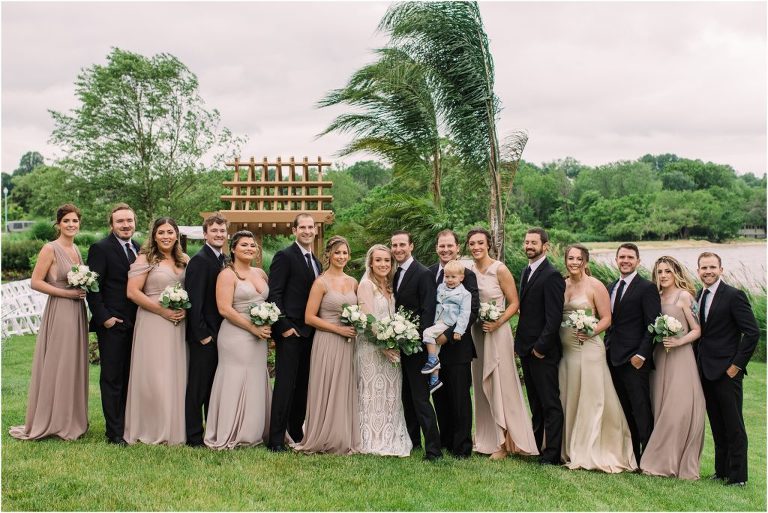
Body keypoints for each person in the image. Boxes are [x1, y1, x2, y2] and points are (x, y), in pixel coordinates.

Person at [10, 204, 89, 441]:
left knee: (73, 362)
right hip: (61, 309)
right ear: (58, 224)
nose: (71, 225)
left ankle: (69, 418)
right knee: (60, 362)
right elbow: (36, 282)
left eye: (75, 221)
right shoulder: (50, 248)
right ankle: (53, 420)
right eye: (66, 221)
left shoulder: (75, 248)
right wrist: (67, 294)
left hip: (77, 310)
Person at [558, 244, 636, 473]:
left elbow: (606, 318)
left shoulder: (595, 285)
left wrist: (591, 331)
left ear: (585, 261)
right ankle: (569, 446)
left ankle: (591, 449)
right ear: (565, 260)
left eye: (578, 259)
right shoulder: (562, 285)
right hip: (566, 352)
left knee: (591, 399)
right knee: (570, 397)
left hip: (589, 349)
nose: (574, 262)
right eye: (570, 258)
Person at [467, 227, 538, 461]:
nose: (476, 247)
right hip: (477, 332)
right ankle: (486, 438)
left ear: (488, 244)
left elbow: (514, 303)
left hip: (497, 332)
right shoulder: (468, 271)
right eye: (472, 244)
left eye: (480, 243)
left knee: (501, 384)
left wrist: (497, 322)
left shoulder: (500, 269)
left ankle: (505, 441)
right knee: (481, 385)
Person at [123, 217, 189, 445]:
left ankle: (175, 428)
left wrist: (184, 309)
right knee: (155, 375)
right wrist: (162, 311)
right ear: (154, 235)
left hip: (178, 325)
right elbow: (133, 292)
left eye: (170, 232)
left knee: (175, 373)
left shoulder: (184, 260)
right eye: (161, 232)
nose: (166, 236)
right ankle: (151, 427)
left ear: (176, 235)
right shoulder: (145, 258)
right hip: (153, 321)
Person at [204, 231, 272, 449]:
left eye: (253, 245)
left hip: (259, 336)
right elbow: (224, 309)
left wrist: (267, 323)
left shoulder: (260, 273)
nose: (250, 248)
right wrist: (252, 327)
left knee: (255, 378)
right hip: (236, 335)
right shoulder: (227, 275)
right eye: (244, 245)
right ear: (233, 249)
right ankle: (230, 430)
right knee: (235, 379)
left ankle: (253, 431)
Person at [696, 252, 759, 487]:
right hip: (705, 370)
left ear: (721, 270)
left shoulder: (734, 295)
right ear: (698, 271)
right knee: (717, 423)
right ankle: (721, 471)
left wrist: (736, 366)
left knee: (734, 425)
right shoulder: (698, 295)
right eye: (704, 268)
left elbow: (752, 332)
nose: (708, 271)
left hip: (727, 372)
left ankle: (738, 476)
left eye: (712, 267)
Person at [294, 236, 360, 454]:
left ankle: (341, 435)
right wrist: (338, 329)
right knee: (326, 385)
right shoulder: (320, 282)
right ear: (329, 255)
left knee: (343, 386)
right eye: (337, 252)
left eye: (345, 253)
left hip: (348, 343)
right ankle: (322, 435)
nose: (341, 257)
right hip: (327, 340)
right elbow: (309, 317)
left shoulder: (353, 282)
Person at [640, 255, 704, 479]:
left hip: (680, 357)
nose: (663, 275)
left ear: (676, 273)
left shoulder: (684, 296)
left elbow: (697, 330)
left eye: (668, 271)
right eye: (659, 272)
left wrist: (679, 341)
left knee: (677, 408)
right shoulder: (654, 296)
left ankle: (674, 460)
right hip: (659, 356)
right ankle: (661, 457)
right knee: (659, 405)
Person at [85, 203, 140, 445]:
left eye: (129, 220)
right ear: (111, 224)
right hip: (113, 324)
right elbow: (93, 286)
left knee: (130, 376)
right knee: (112, 378)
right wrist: (104, 318)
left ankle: (127, 424)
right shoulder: (100, 248)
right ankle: (114, 433)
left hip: (137, 323)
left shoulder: (139, 248)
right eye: (120, 221)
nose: (126, 225)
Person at [267, 213, 322, 452]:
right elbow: (274, 294)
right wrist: (284, 327)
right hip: (290, 332)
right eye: (303, 227)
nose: (307, 231)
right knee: (285, 385)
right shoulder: (284, 256)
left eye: (311, 227)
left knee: (302, 386)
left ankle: (296, 432)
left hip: (311, 333)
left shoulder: (317, 262)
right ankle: (276, 439)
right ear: (294, 230)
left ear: (315, 230)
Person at [604, 243, 661, 463]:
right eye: (622, 257)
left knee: (641, 409)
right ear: (616, 260)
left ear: (638, 261)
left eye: (630, 257)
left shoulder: (647, 288)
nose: (625, 261)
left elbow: (653, 325)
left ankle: (649, 458)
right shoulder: (610, 287)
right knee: (623, 409)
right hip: (612, 358)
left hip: (634, 360)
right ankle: (632, 455)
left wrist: (642, 356)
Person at [356, 244, 412, 457]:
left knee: (390, 393)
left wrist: (394, 342)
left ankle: (389, 435)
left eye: (387, 260)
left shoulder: (390, 286)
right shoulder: (366, 285)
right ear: (370, 263)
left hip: (392, 348)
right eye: (378, 260)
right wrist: (383, 346)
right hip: (371, 349)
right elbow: (368, 320)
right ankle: (369, 438)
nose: (383, 264)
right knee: (371, 393)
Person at [514, 227, 565, 464]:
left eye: (533, 242)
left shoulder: (552, 276)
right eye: (526, 242)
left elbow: (554, 318)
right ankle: (535, 445)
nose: (529, 246)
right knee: (535, 402)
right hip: (526, 349)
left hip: (543, 352)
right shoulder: (526, 271)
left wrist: (540, 348)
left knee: (550, 403)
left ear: (545, 246)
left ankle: (552, 454)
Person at [390, 230, 442, 461]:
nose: (398, 249)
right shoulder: (394, 273)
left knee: (420, 398)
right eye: (394, 245)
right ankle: (412, 441)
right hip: (399, 344)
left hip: (417, 345)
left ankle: (433, 449)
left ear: (411, 246)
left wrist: (418, 339)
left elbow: (428, 310)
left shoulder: (423, 273)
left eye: (402, 244)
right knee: (406, 396)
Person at [429, 230, 479, 459]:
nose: (446, 250)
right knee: (439, 396)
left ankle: (462, 446)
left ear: (458, 248)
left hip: (458, 346)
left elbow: (472, 310)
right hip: (434, 347)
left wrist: (447, 335)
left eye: (450, 246)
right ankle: (446, 440)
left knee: (460, 397)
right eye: (442, 246)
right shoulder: (430, 273)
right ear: (436, 248)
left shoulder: (467, 275)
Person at [184, 213, 228, 447]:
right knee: (198, 388)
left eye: (222, 231)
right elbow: (194, 301)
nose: (219, 234)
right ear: (205, 234)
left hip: (222, 335)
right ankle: (193, 436)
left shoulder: (224, 260)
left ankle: (211, 431)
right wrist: (202, 335)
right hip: (205, 336)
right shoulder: (199, 261)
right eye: (214, 231)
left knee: (214, 387)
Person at [421, 259, 472, 393]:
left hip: (448, 323)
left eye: (453, 277)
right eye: (447, 276)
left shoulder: (465, 294)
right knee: (435, 350)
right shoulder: (440, 287)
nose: (449, 280)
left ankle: (432, 361)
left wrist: (458, 330)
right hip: (437, 321)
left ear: (461, 277)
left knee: (427, 333)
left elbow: (464, 314)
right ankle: (435, 379)